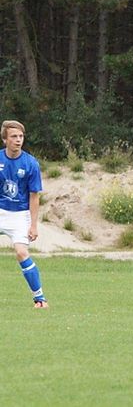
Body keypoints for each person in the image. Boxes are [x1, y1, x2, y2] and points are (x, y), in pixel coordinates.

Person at [0, 120, 47, 308]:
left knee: (21, 252)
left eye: (20, 136)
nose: (18, 140)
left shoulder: (30, 163)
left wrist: (33, 225)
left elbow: (34, 196)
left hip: (20, 214)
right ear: (5, 140)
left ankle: (40, 298)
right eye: (13, 136)